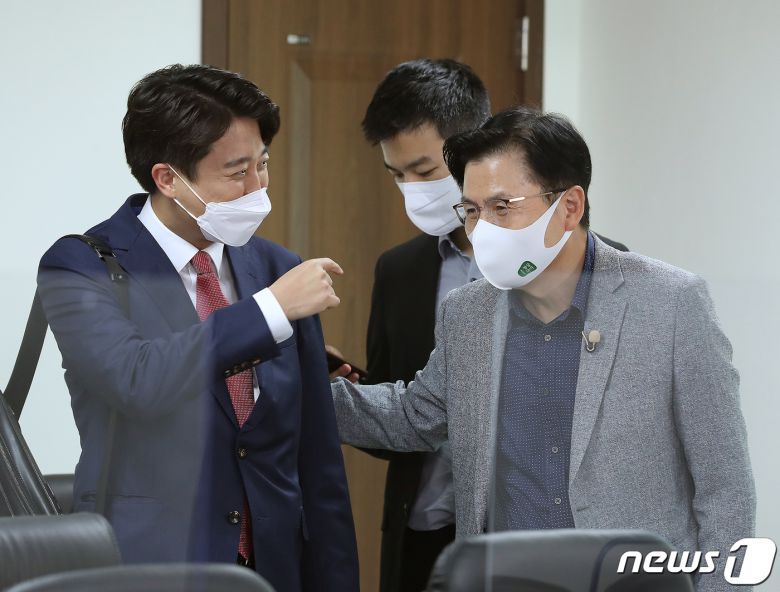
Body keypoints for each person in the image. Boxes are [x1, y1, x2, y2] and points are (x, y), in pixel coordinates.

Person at [332, 106, 755, 592]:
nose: (482, 229)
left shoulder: (671, 303)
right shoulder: (467, 313)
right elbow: (414, 415)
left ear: (569, 207)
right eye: (472, 211)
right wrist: (293, 386)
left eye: (502, 206)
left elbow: (725, 488)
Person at [37, 64, 359, 592]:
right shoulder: (81, 265)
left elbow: (317, 458)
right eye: (237, 172)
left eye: (263, 164)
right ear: (168, 178)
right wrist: (269, 311)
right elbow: (136, 379)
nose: (258, 187)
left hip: (272, 565)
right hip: (148, 564)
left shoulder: (278, 267)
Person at [356, 58, 628, 592]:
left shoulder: (605, 273)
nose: (412, 190)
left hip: (547, 537)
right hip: (427, 529)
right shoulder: (399, 270)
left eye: (425, 172)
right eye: (397, 175)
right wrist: (332, 391)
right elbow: (409, 415)